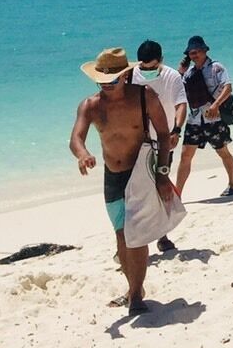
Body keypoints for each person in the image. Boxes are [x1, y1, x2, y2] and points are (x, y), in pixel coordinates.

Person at [69, 47, 176, 315]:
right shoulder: (91, 106)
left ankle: (136, 297)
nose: (107, 86)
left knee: (136, 236)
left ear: (126, 77)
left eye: (113, 81)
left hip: (139, 173)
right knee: (121, 236)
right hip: (112, 178)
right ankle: (133, 289)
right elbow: (76, 138)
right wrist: (83, 155)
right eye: (101, 81)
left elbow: (164, 136)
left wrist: (163, 174)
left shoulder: (145, 97)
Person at [134, 40, 188, 253]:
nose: (147, 71)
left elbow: (181, 104)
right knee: (137, 190)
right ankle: (133, 238)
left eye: (152, 67)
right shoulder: (130, 76)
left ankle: (162, 235)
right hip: (137, 143)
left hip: (164, 142)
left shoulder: (172, 76)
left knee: (161, 184)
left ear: (161, 61)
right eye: (144, 67)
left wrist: (176, 130)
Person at [176, 35, 233, 198]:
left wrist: (215, 105)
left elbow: (228, 87)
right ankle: (178, 194)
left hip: (214, 119)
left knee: (222, 152)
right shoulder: (189, 73)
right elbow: (178, 91)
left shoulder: (216, 67)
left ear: (204, 51)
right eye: (191, 53)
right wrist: (180, 71)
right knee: (185, 156)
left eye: (196, 52)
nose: (194, 55)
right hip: (195, 120)